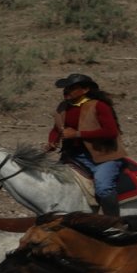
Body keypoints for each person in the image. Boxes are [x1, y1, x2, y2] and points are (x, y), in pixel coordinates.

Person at [46, 73, 127, 217]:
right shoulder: (63, 107)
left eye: (71, 88)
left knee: (103, 188)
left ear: (85, 90)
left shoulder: (99, 106)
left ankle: (114, 222)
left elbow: (110, 132)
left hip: (104, 156)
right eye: (66, 88)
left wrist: (77, 134)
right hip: (74, 156)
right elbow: (57, 129)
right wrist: (52, 142)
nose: (66, 91)